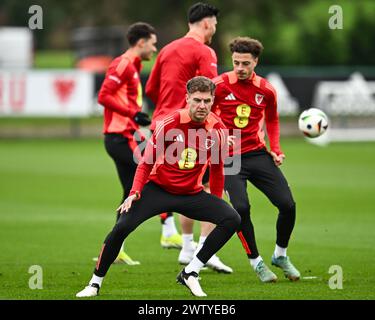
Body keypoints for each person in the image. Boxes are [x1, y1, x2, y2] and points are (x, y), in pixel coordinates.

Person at [76, 76, 241, 298]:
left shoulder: (218, 128)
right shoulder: (170, 122)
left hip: (191, 193)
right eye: (197, 100)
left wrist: (218, 200)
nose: (202, 106)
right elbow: (146, 162)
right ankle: (94, 284)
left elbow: (218, 169)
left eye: (207, 101)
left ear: (213, 101)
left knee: (232, 218)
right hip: (158, 190)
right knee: (122, 227)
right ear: (187, 99)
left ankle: (191, 272)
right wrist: (134, 192)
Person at [146, 2, 232, 273]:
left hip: (161, 126)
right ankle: (206, 251)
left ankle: (185, 247)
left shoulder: (167, 49)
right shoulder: (204, 51)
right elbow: (210, 93)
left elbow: (150, 89)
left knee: (178, 184)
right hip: (191, 131)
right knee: (204, 188)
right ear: (207, 23)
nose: (214, 31)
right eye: (214, 25)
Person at [212, 37, 301, 282]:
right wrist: (216, 139)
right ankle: (257, 261)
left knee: (288, 205)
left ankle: (280, 255)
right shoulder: (218, 85)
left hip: (257, 153)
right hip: (229, 158)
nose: (240, 68)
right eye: (236, 62)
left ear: (256, 62)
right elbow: (203, 116)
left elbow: (272, 120)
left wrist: (277, 148)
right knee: (240, 209)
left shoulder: (266, 89)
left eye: (245, 63)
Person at [95, 22, 157, 265]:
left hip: (124, 135)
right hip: (119, 137)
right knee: (146, 181)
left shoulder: (134, 64)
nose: (155, 48)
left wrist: (135, 114)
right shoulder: (122, 63)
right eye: (152, 43)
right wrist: (132, 113)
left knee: (131, 191)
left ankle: (115, 247)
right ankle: (170, 230)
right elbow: (103, 96)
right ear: (140, 42)